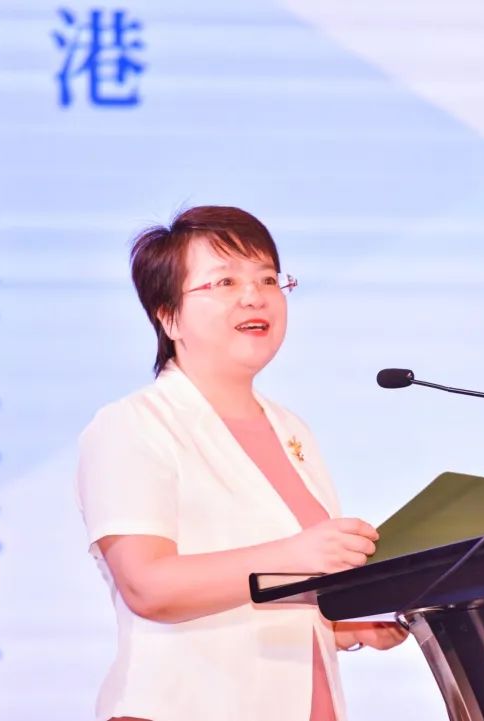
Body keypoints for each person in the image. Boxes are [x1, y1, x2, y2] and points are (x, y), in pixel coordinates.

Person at [75, 206, 407, 721]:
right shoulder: (133, 424)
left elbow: (264, 594)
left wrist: (346, 624)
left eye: (268, 279)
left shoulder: (292, 429)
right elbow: (147, 586)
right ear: (168, 316)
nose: (254, 295)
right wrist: (295, 554)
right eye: (225, 281)